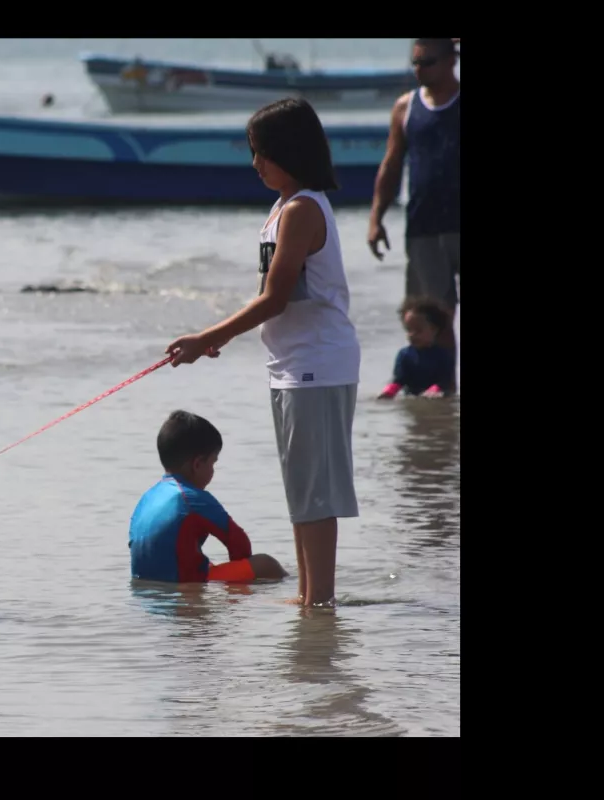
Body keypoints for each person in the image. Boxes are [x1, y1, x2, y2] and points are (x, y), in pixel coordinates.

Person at [165, 97, 360, 608]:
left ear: (290, 152)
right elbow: (273, 298)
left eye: (263, 153)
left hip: (317, 366)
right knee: (301, 489)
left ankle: (320, 602)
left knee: (316, 493)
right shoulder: (282, 208)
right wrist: (219, 337)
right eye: (253, 152)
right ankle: (306, 594)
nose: (255, 164)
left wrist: (210, 336)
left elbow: (273, 298)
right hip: (292, 366)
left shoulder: (302, 209)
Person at [367, 37, 460, 333]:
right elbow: (391, 165)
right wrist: (375, 218)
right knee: (432, 322)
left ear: (451, 61)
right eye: (415, 63)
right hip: (425, 227)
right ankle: (443, 381)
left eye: (427, 62)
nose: (419, 70)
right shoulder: (405, 107)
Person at [129, 410, 287, 584]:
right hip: (183, 581)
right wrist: (241, 581)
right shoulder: (194, 498)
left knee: (203, 561)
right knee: (266, 564)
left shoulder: (148, 496)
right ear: (197, 464)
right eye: (213, 462)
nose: (213, 470)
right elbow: (238, 541)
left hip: (145, 586)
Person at [378, 296, 456, 399]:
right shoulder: (405, 355)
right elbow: (399, 380)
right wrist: (389, 391)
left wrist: (434, 390)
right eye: (409, 330)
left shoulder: (443, 355)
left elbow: (446, 381)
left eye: (418, 330)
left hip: (437, 399)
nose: (412, 335)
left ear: (434, 330)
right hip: (412, 398)